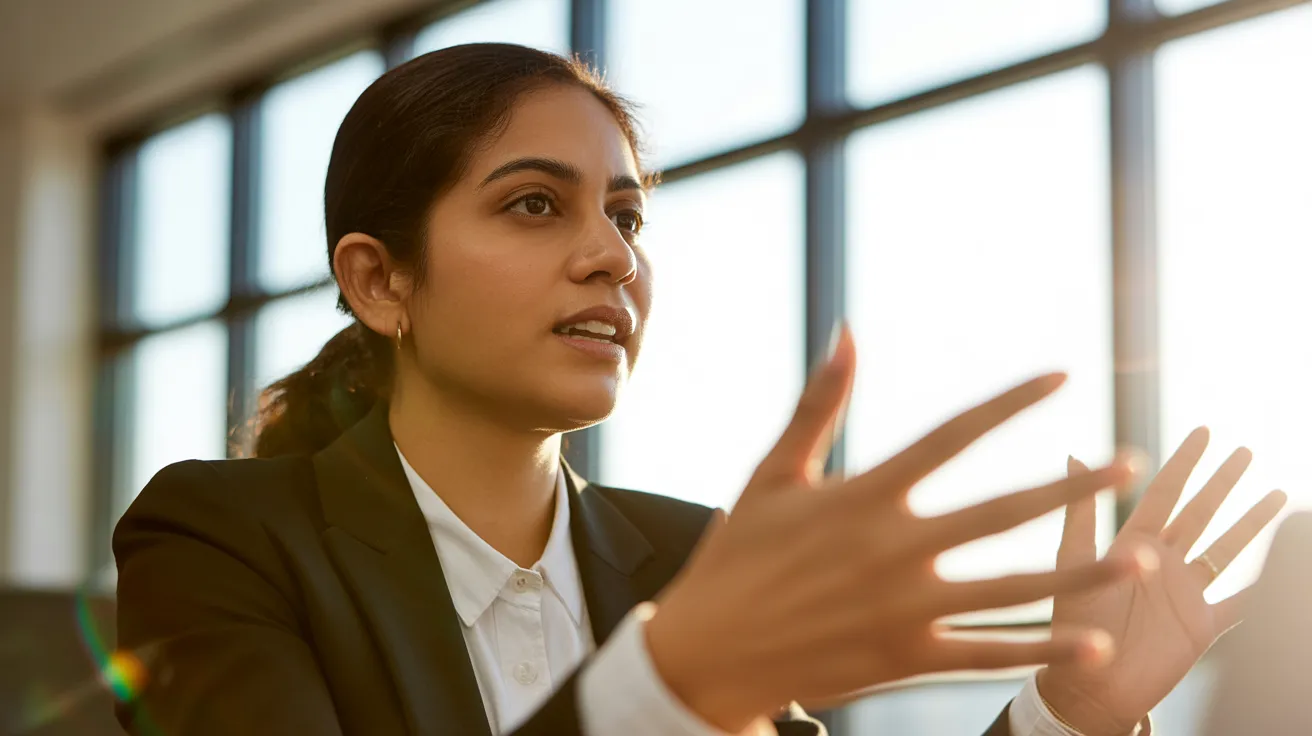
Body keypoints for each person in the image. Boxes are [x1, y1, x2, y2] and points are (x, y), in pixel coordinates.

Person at [112, 43, 1285, 736]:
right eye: (534, 204)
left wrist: (1061, 717)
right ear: (379, 281)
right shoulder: (219, 538)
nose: (613, 255)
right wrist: (664, 689)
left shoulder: (692, 556)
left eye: (626, 215)